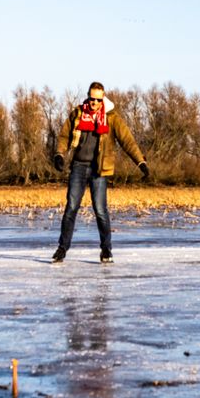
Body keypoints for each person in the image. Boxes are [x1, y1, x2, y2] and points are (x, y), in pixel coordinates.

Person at [52, 81, 149, 264]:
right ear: (88, 97)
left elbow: (127, 141)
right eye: (92, 99)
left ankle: (106, 250)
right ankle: (62, 249)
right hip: (78, 167)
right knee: (71, 208)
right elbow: (64, 135)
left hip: (99, 169)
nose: (94, 103)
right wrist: (59, 154)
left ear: (103, 99)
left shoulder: (112, 118)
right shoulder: (78, 113)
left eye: (98, 100)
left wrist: (140, 162)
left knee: (100, 210)